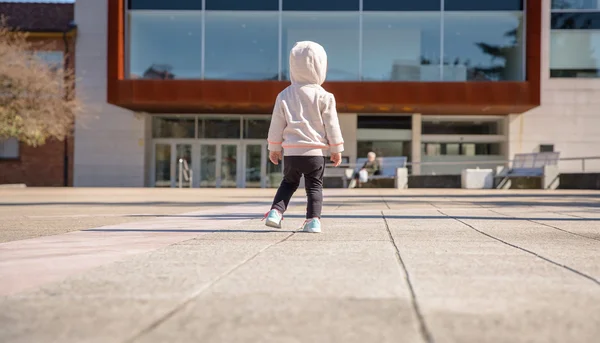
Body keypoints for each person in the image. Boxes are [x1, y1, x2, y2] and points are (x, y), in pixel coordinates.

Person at [263, 41, 344, 233]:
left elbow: (277, 124)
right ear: (321, 66)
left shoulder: (284, 95)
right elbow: (332, 125)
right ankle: (313, 221)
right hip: (315, 152)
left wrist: (274, 148)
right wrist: (336, 149)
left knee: (289, 183)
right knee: (314, 187)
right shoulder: (325, 96)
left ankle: (275, 212)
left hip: (291, 152)